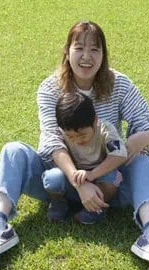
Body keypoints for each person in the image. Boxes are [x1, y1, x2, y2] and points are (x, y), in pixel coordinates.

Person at [0, 20, 149, 270]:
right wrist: (80, 182)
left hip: (109, 186)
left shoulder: (119, 84)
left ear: (104, 54)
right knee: (12, 151)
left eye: (95, 50)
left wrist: (128, 146)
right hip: (58, 181)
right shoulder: (50, 88)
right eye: (79, 48)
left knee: (143, 161)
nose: (87, 57)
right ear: (67, 52)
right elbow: (51, 142)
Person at [46, 92, 128, 224]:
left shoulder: (105, 130)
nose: (77, 140)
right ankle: (59, 202)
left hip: (99, 174)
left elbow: (119, 154)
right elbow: (55, 152)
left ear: (95, 120)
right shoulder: (60, 132)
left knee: (112, 178)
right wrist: (77, 177)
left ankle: (96, 209)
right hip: (73, 176)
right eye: (71, 137)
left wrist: (92, 174)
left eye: (82, 135)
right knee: (52, 178)